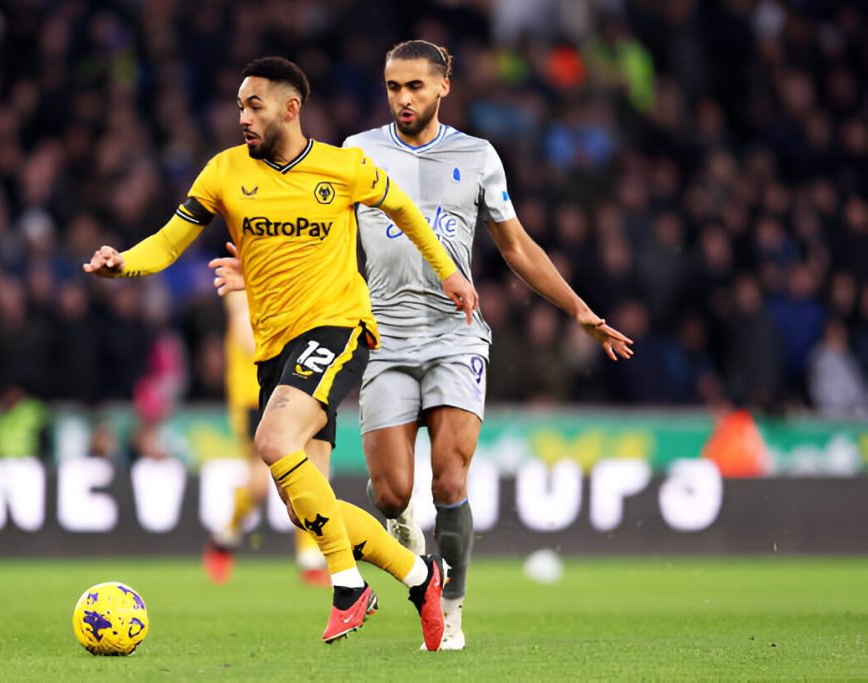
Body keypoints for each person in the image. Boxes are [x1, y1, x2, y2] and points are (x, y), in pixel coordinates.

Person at [210, 41, 633, 651]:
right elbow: (312, 233)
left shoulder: (478, 156)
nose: (403, 98)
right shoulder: (356, 153)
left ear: (442, 87)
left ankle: (452, 606)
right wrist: (257, 268)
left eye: (414, 86)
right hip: (380, 335)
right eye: (393, 87)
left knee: (450, 479)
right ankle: (408, 542)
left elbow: (516, 246)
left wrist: (579, 310)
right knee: (390, 492)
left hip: (455, 333)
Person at [84, 56, 480, 649]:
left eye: (255, 105)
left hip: (338, 328)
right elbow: (168, 242)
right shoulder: (224, 172)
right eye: (239, 106)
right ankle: (420, 575)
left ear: (291, 109)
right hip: (275, 350)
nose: (243, 117)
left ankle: (348, 588)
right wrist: (123, 264)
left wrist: (447, 271)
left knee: (271, 442)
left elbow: (403, 209)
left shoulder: (342, 168)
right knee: (305, 508)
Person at [203, 289, 331, 587]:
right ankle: (225, 537)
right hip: (253, 394)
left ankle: (310, 557)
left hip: (292, 388)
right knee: (259, 485)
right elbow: (245, 334)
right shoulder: (242, 283)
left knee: (303, 466)